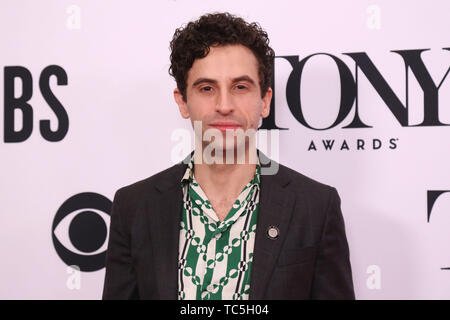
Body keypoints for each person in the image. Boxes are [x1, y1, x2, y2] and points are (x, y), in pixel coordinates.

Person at [102, 12, 354, 300]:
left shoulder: (316, 207)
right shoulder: (134, 207)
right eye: (207, 88)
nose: (224, 105)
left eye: (240, 87)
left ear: (265, 101)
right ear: (183, 102)